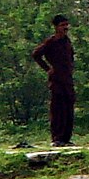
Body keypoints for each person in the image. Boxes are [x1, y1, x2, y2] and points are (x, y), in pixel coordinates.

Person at [31, 15, 76, 147]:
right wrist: (48, 69)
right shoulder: (51, 41)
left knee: (69, 109)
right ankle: (57, 137)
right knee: (58, 109)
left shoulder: (66, 41)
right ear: (56, 27)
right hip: (57, 80)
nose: (65, 28)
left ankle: (66, 138)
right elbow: (36, 54)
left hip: (67, 79)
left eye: (66, 25)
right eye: (62, 25)